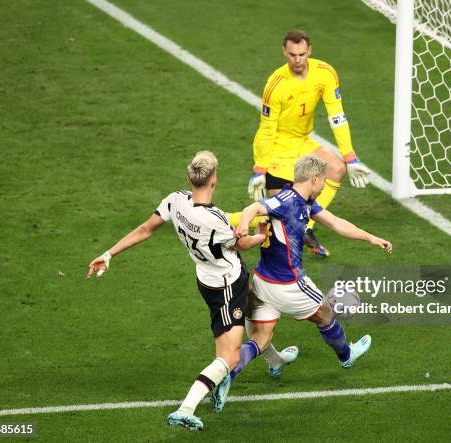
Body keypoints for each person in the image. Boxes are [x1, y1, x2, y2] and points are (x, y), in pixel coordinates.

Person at [87, 151, 296, 431]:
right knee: (229, 356)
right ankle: (187, 407)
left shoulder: (175, 200)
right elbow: (241, 244)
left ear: (189, 179)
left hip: (207, 281)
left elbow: (144, 229)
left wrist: (109, 254)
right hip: (227, 287)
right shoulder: (215, 220)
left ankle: (275, 360)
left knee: (256, 311)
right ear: (214, 181)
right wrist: (260, 234)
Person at [211, 154, 392, 411]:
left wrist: (371, 237)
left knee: (261, 339)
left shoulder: (304, 201)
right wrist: (242, 225)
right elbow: (253, 208)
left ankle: (227, 376)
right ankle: (346, 355)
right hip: (288, 283)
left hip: (262, 282)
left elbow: (336, 222)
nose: (324, 186)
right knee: (326, 313)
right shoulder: (285, 202)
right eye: (324, 182)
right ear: (314, 178)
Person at [229, 29, 372, 258]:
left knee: (336, 168)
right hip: (277, 147)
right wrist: (259, 169)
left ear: (309, 51)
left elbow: (337, 117)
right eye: (293, 54)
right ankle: (227, 219)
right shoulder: (275, 85)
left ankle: (307, 228)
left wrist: (350, 156)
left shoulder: (325, 74)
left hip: (303, 141)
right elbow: (267, 129)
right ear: (284, 52)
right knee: (279, 215)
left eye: (302, 54)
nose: (298, 60)